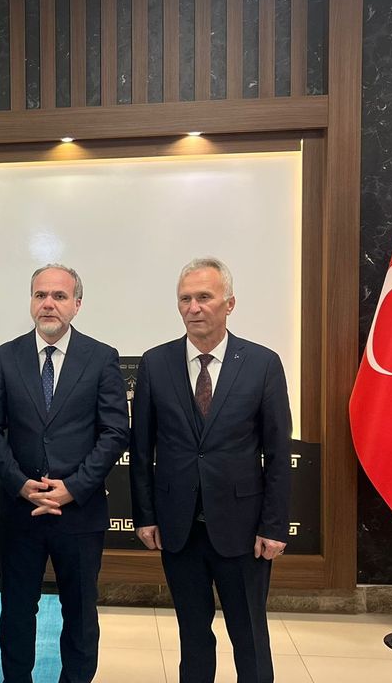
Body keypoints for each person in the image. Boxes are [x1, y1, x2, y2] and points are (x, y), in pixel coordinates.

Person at [128, 257, 291, 683]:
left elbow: (277, 453)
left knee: (249, 635)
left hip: (243, 530)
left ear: (229, 303)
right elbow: (141, 449)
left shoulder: (262, 363)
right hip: (179, 528)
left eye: (204, 297)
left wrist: (274, 525)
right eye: (185, 299)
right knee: (192, 634)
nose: (194, 307)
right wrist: (145, 515)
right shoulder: (155, 363)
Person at [0, 264, 128, 683]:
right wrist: (20, 484)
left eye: (59, 296)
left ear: (77, 304)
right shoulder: (6, 356)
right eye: (40, 295)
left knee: (79, 613)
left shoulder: (101, 357)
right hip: (20, 511)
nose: (48, 303)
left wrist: (73, 487)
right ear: (31, 301)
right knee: (16, 611)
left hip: (78, 513)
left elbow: (115, 432)